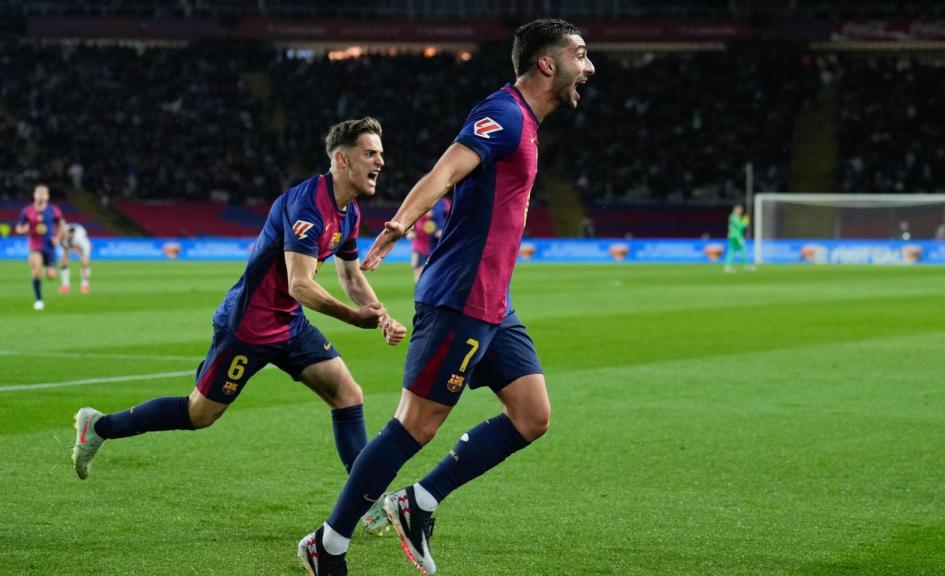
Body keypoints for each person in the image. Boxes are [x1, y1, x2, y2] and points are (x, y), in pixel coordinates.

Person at [296, 18, 595, 576]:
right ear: (547, 64)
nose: (590, 66)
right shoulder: (505, 112)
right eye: (580, 54)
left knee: (532, 416)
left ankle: (418, 503)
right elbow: (446, 169)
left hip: (494, 302)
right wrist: (399, 224)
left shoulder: (528, 124)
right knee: (415, 425)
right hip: (460, 296)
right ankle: (328, 544)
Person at [72, 118, 407, 525]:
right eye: (370, 153)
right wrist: (355, 318)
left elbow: (351, 276)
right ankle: (100, 426)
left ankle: (365, 502)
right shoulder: (306, 206)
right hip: (248, 327)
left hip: (289, 324)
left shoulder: (349, 212)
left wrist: (383, 316)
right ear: (341, 159)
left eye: (381, 154)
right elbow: (301, 284)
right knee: (199, 414)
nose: (381, 162)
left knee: (348, 395)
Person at [15, 184, 64, 310]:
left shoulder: (54, 210)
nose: (41, 195)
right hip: (35, 245)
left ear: (47, 196)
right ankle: (38, 300)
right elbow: (18, 228)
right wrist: (24, 229)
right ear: (34, 195)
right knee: (36, 271)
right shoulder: (27, 211)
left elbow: (62, 225)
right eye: (39, 193)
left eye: (44, 193)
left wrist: (57, 238)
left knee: (51, 276)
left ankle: (47, 268)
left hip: (49, 246)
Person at [409, 195, 451, 281]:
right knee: (418, 272)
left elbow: (451, 216)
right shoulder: (419, 209)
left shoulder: (444, 203)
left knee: (436, 272)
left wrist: (442, 231)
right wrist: (410, 232)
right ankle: (420, 292)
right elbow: (411, 226)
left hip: (435, 246)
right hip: (419, 246)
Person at [59, 222, 92, 294]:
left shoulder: (81, 238)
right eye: (67, 234)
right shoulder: (62, 236)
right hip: (68, 244)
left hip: (80, 244)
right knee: (63, 259)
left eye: (71, 234)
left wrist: (82, 254)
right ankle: (65, 286)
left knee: (85, 261)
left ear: (73, 234)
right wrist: (71, 248)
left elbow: (89, 248)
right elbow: (63, 247)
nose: (69, 235)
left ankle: (85, 285)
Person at [724, 204, 752, 272]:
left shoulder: (734, 216)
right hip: (736, 236)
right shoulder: (734, 216)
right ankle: (746, 265)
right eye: (739, 209)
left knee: (732, 251)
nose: (741, 211)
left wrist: (744, 223)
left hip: (733, 236)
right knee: (742, 250)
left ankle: (728, 266)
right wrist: (745, 222)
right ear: (736, 209)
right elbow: (740, 226)